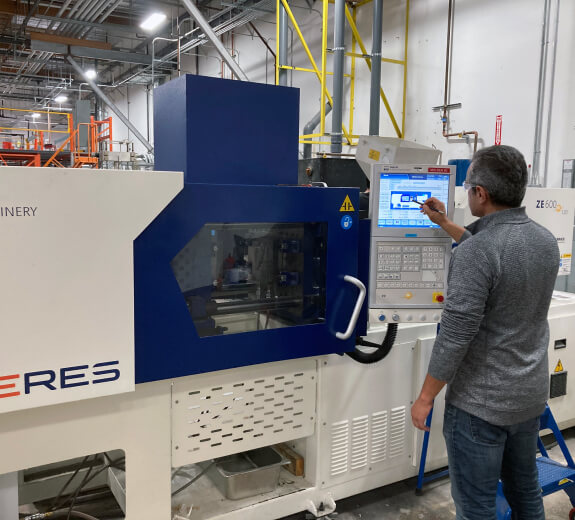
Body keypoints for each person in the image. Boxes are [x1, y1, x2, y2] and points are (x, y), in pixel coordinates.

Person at [411, 145, 560, 519]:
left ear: (481, 193)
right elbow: (496, 253)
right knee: (525, 492)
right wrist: (445, 224)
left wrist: (426, 397)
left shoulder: (478, 253)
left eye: (468, 187)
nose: (466, 192)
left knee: (476, 507)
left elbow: (456, 334)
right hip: (528, 396)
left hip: (480, 407)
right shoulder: (544, 240)